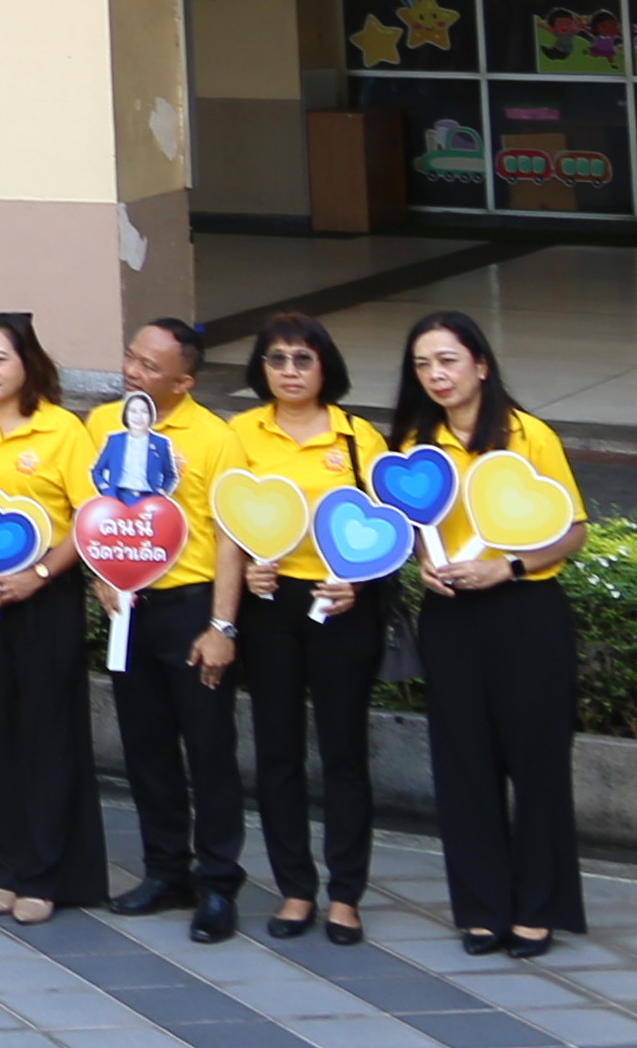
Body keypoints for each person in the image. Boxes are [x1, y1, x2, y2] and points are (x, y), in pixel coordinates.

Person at [397, 309, 587, 960]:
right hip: (451, 617)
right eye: (423, 364)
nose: (436, 375)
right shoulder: (416, 445)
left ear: (480, 364)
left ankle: (538, 907)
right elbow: (410, 527)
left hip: (526, 611)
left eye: (448, 360)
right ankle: (482, 907)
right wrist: (422, 565)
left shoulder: (529, 435)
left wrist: (507, 568)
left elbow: (573, 531)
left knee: (537, 762)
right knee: (463, 764)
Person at [213, 311, 389, 943]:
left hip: (342, 604)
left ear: (325, 366)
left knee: (343, 751)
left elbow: (391, 531)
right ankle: (295, 889)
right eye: (277, 359)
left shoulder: (357, 438)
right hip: (272, 606)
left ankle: (345, 894)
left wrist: (359, 584)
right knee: (277, 749)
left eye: (302, 359)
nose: (289, 371)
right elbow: (229, 521)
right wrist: (245, 579)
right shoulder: (241, 433)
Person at [0, 311, 107, 923]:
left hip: (45, 598)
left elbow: (89, 519)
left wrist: (38, 575)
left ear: (27, 363)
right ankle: (2, 862)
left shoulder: (63, 430)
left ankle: (45, 872)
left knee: (46, 732)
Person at [105, 316, 247, 939]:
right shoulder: (103, 423)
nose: (131, 372)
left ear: (184, 382)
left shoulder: (215, 438)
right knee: (146, 747)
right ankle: (165, 871)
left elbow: (230, 538)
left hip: (192, 605)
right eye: (131, 357)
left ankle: (218, 884)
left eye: (148, 366)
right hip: (129, 607)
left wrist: (222, 626)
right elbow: (94, 511)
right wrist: (102, 576)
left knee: (209, 749)